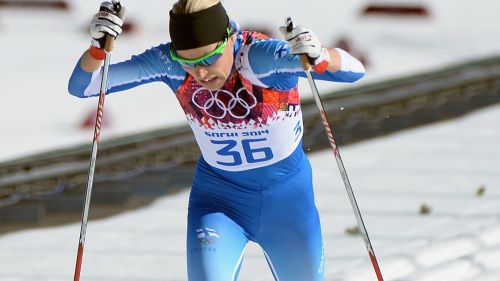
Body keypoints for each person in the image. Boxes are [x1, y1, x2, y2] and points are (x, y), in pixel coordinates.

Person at [68, 0, 365, 280]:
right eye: (187, 62)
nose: (200, 72)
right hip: (219, 204)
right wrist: (97, 50)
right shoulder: (168, 64)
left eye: (209, 58)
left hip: (288, 204)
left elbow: (353, 71)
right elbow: (85, 86)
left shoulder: (260, 58)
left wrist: (322, 55)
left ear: (230, 39)